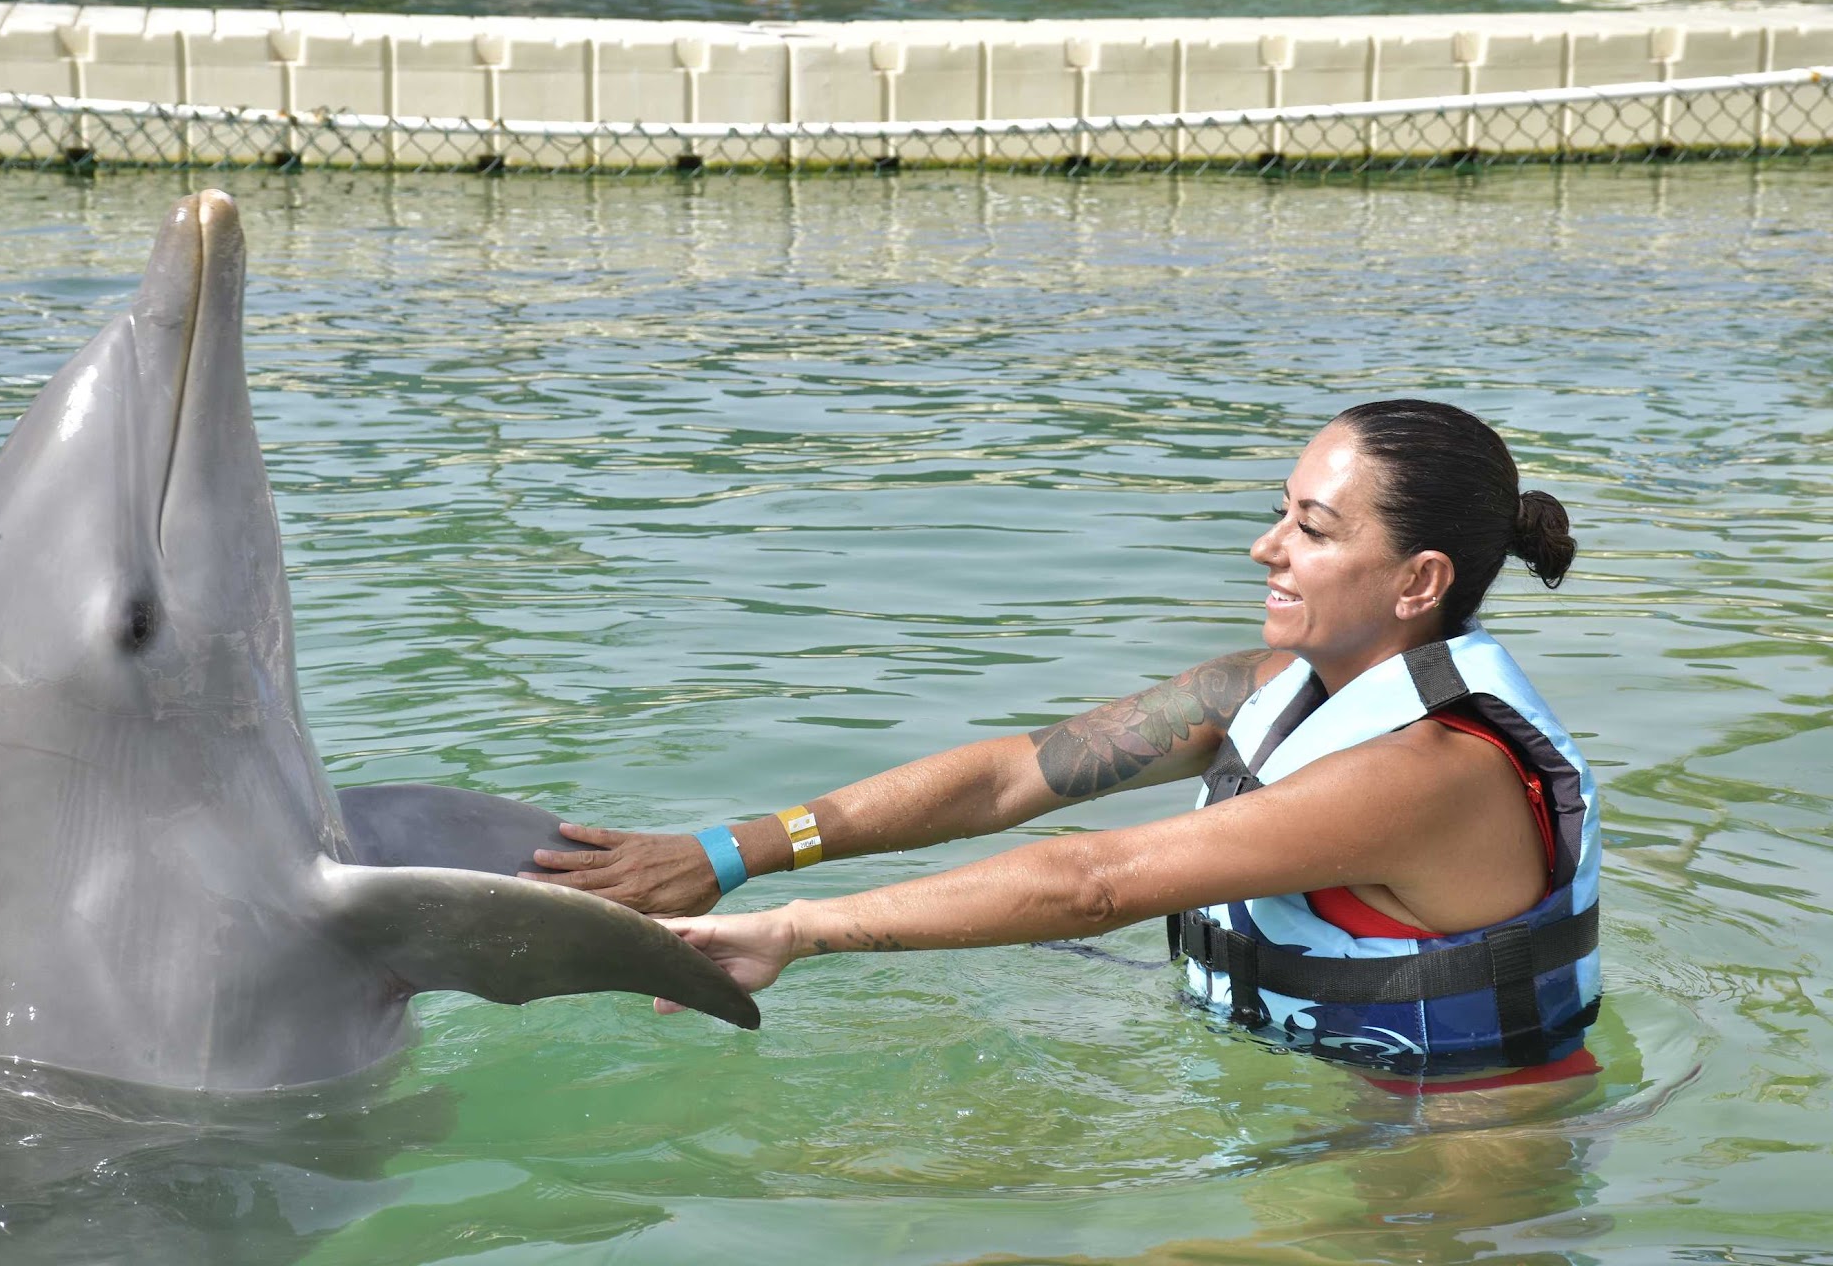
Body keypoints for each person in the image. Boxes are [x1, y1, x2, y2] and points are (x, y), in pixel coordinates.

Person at [525, 400, 1603, 1079]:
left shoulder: (1434, 772)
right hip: (1310, 1093)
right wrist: (730, 853)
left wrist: (796, 931)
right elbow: (1007, 780)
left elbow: (1094, 883)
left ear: (1420, 581)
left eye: (1310, 529)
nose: (1263, 546)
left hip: (1446, 1154)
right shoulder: (1264, 685)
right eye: (1281, 510)